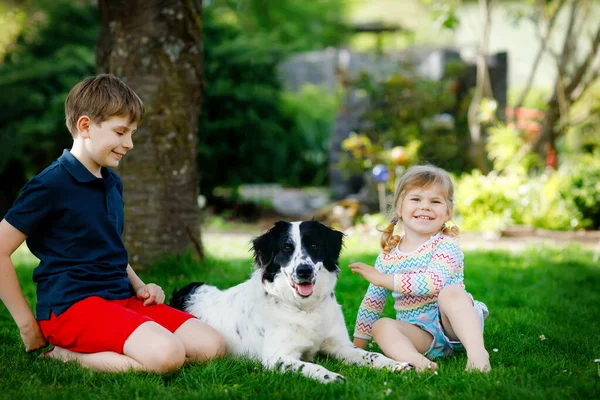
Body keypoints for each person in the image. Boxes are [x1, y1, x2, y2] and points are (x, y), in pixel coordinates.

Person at [0, 74, 225, 374]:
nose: (129, 144)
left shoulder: (111, 182)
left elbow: (110, 246)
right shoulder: (50, 184)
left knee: (211, 346)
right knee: (168, 356)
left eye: (132, 133)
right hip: (72, 308)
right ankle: (66, 355)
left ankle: (130, 343)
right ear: (85, 126)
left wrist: (140, 285)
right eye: (121, 132)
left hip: (120, 299)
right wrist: (28, 324)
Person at [349, 164, 490, 372]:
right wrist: (356, 349)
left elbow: (432, 283)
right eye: (416, 199)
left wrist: (384, 279)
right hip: (420, 334)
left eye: (435, 201)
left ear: (448, 212)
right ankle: (419, 362)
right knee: (381, 326)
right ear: (399, 208)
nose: (425, 207)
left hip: (454, 327)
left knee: (450, 293)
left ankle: (478, 354)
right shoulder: (388, 257)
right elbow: (372, 305)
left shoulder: (445, 245)